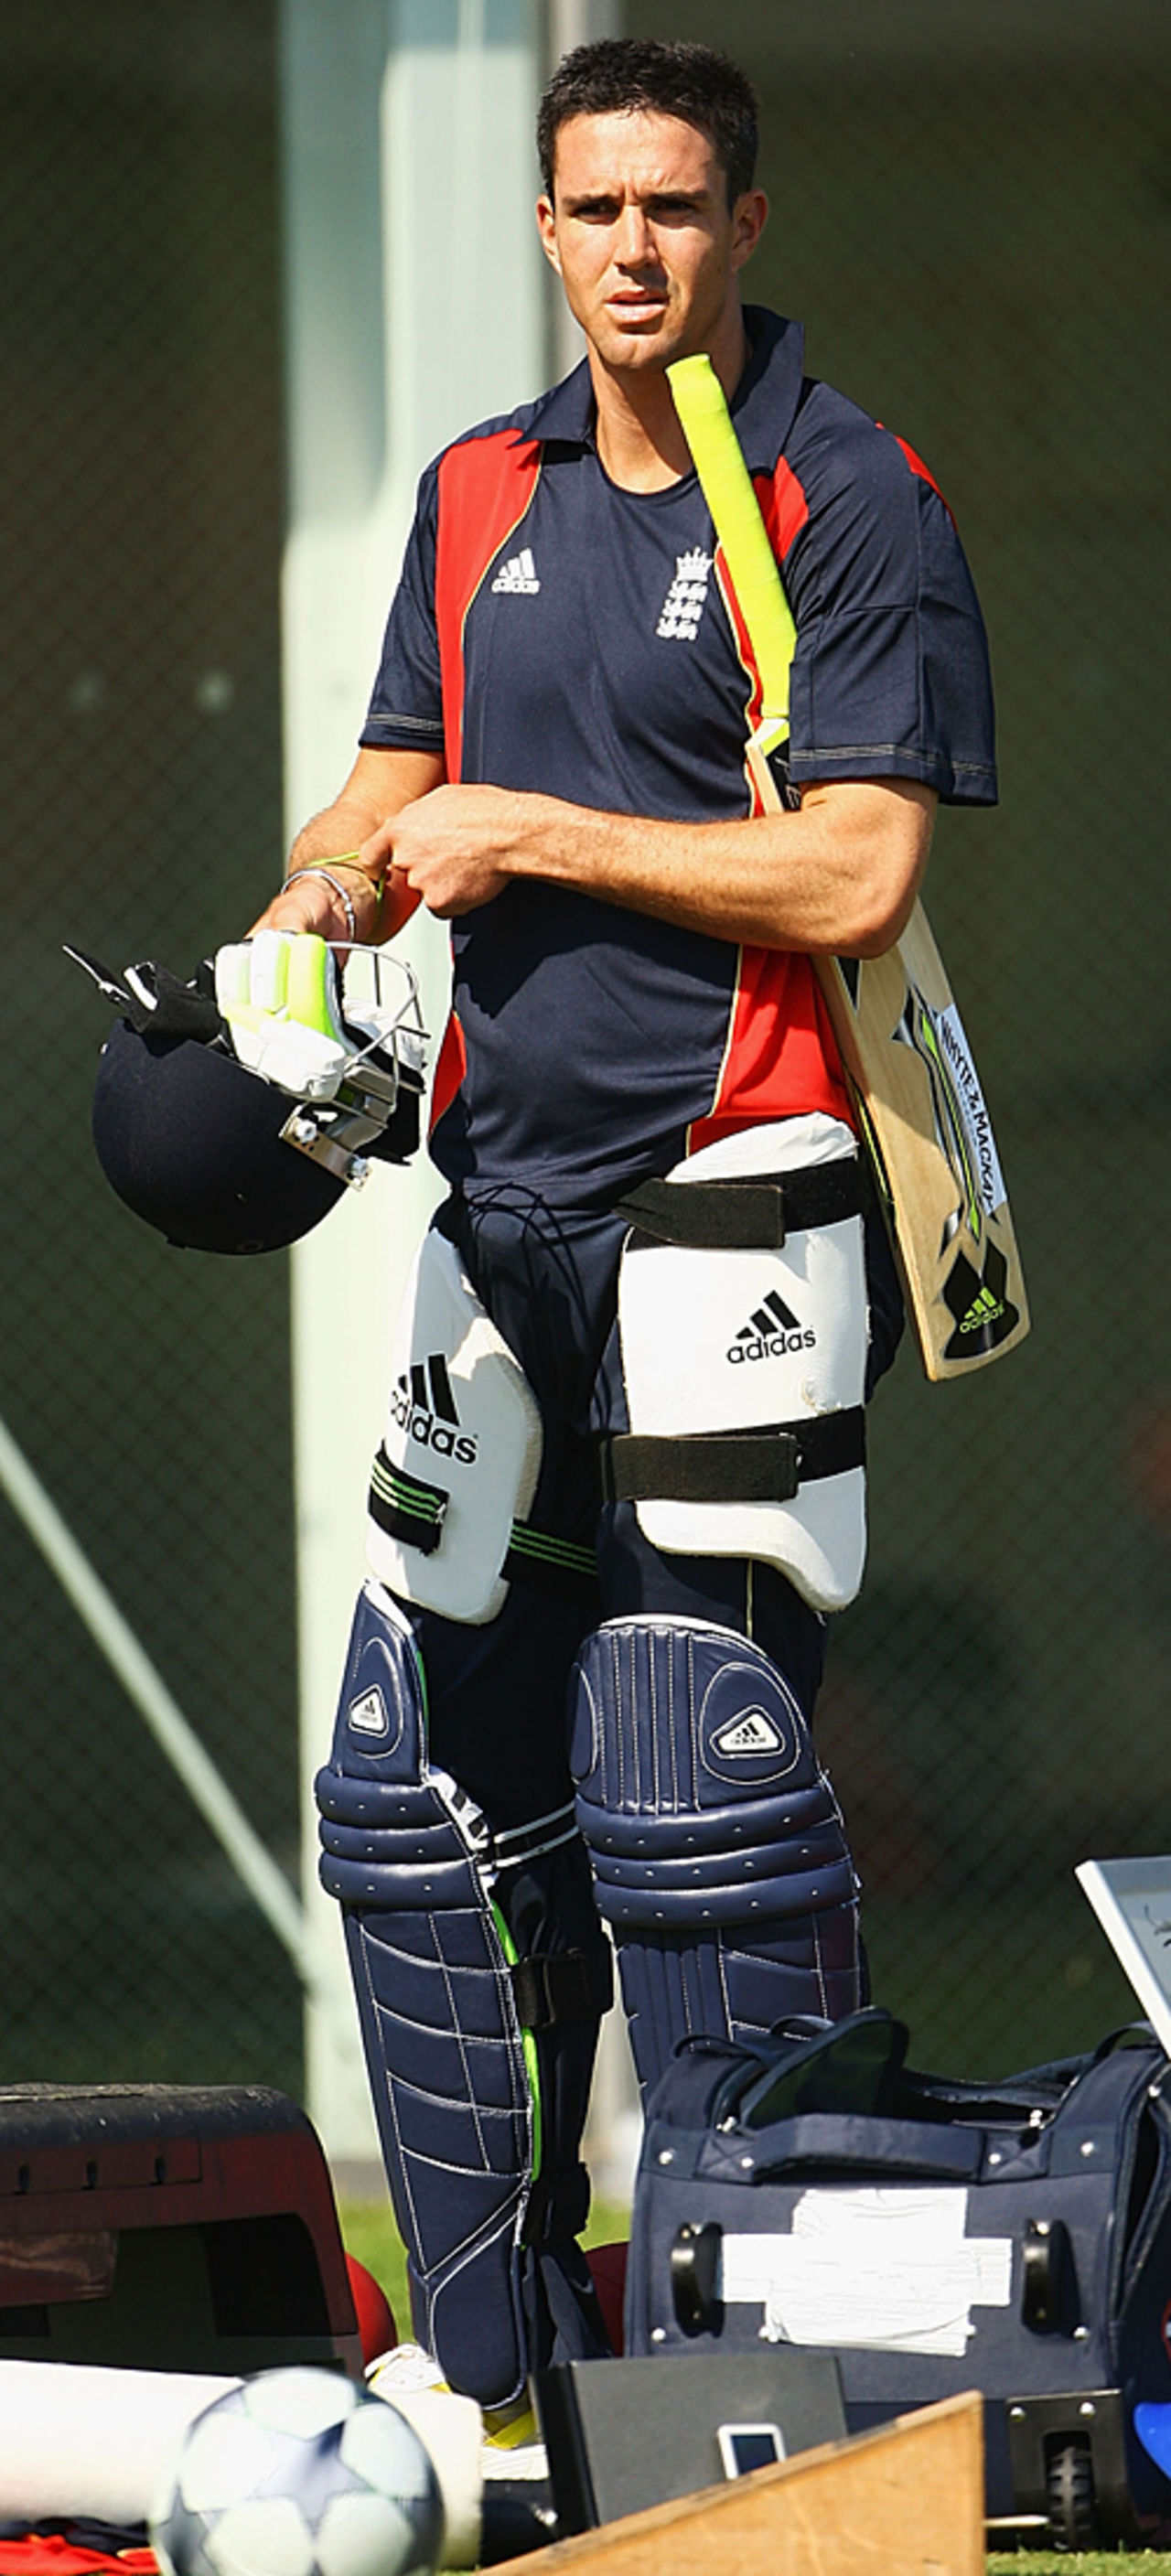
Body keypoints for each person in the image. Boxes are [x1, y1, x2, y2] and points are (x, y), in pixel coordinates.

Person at [254, 38, 997, 2409]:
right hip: (499, 1197)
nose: (636, 251)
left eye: (676, 208)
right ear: (550, 227)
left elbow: (860, 865)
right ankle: (495, 2376)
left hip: (745, 1178)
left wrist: (535, 835)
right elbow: (398, 765)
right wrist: (317, 896)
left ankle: (759, 2393)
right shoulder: (479, 483)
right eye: (596, 212)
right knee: (415, 1787)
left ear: (744, 225)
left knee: (687, 1758)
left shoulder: (851, 487)